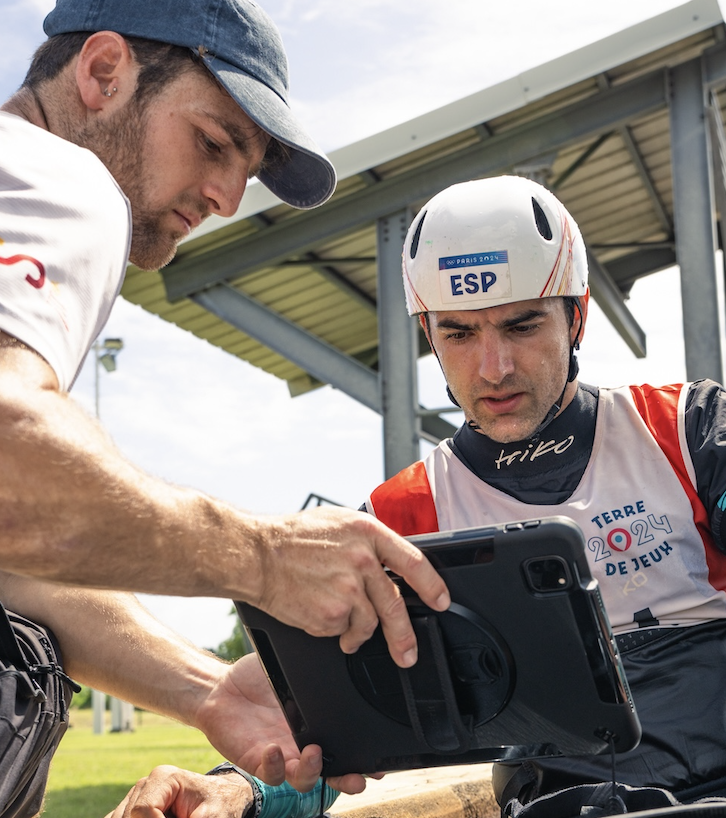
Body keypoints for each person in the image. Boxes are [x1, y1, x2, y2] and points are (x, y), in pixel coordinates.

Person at [99, 174, 726, 818]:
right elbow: (338, 726)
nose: (494, 366)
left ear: (576, 318)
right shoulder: (402, 514)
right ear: (428, 335)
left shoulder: (687, 426)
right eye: (458, 333)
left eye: (521, 324)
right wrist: (238, 791)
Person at [0, 0, 450, 814]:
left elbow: (13, 550)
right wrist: (265, 557)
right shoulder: (58, 178)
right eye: (213, 143)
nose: (226, 196)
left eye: (246, 168)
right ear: (103, 73)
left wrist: (211, 691)